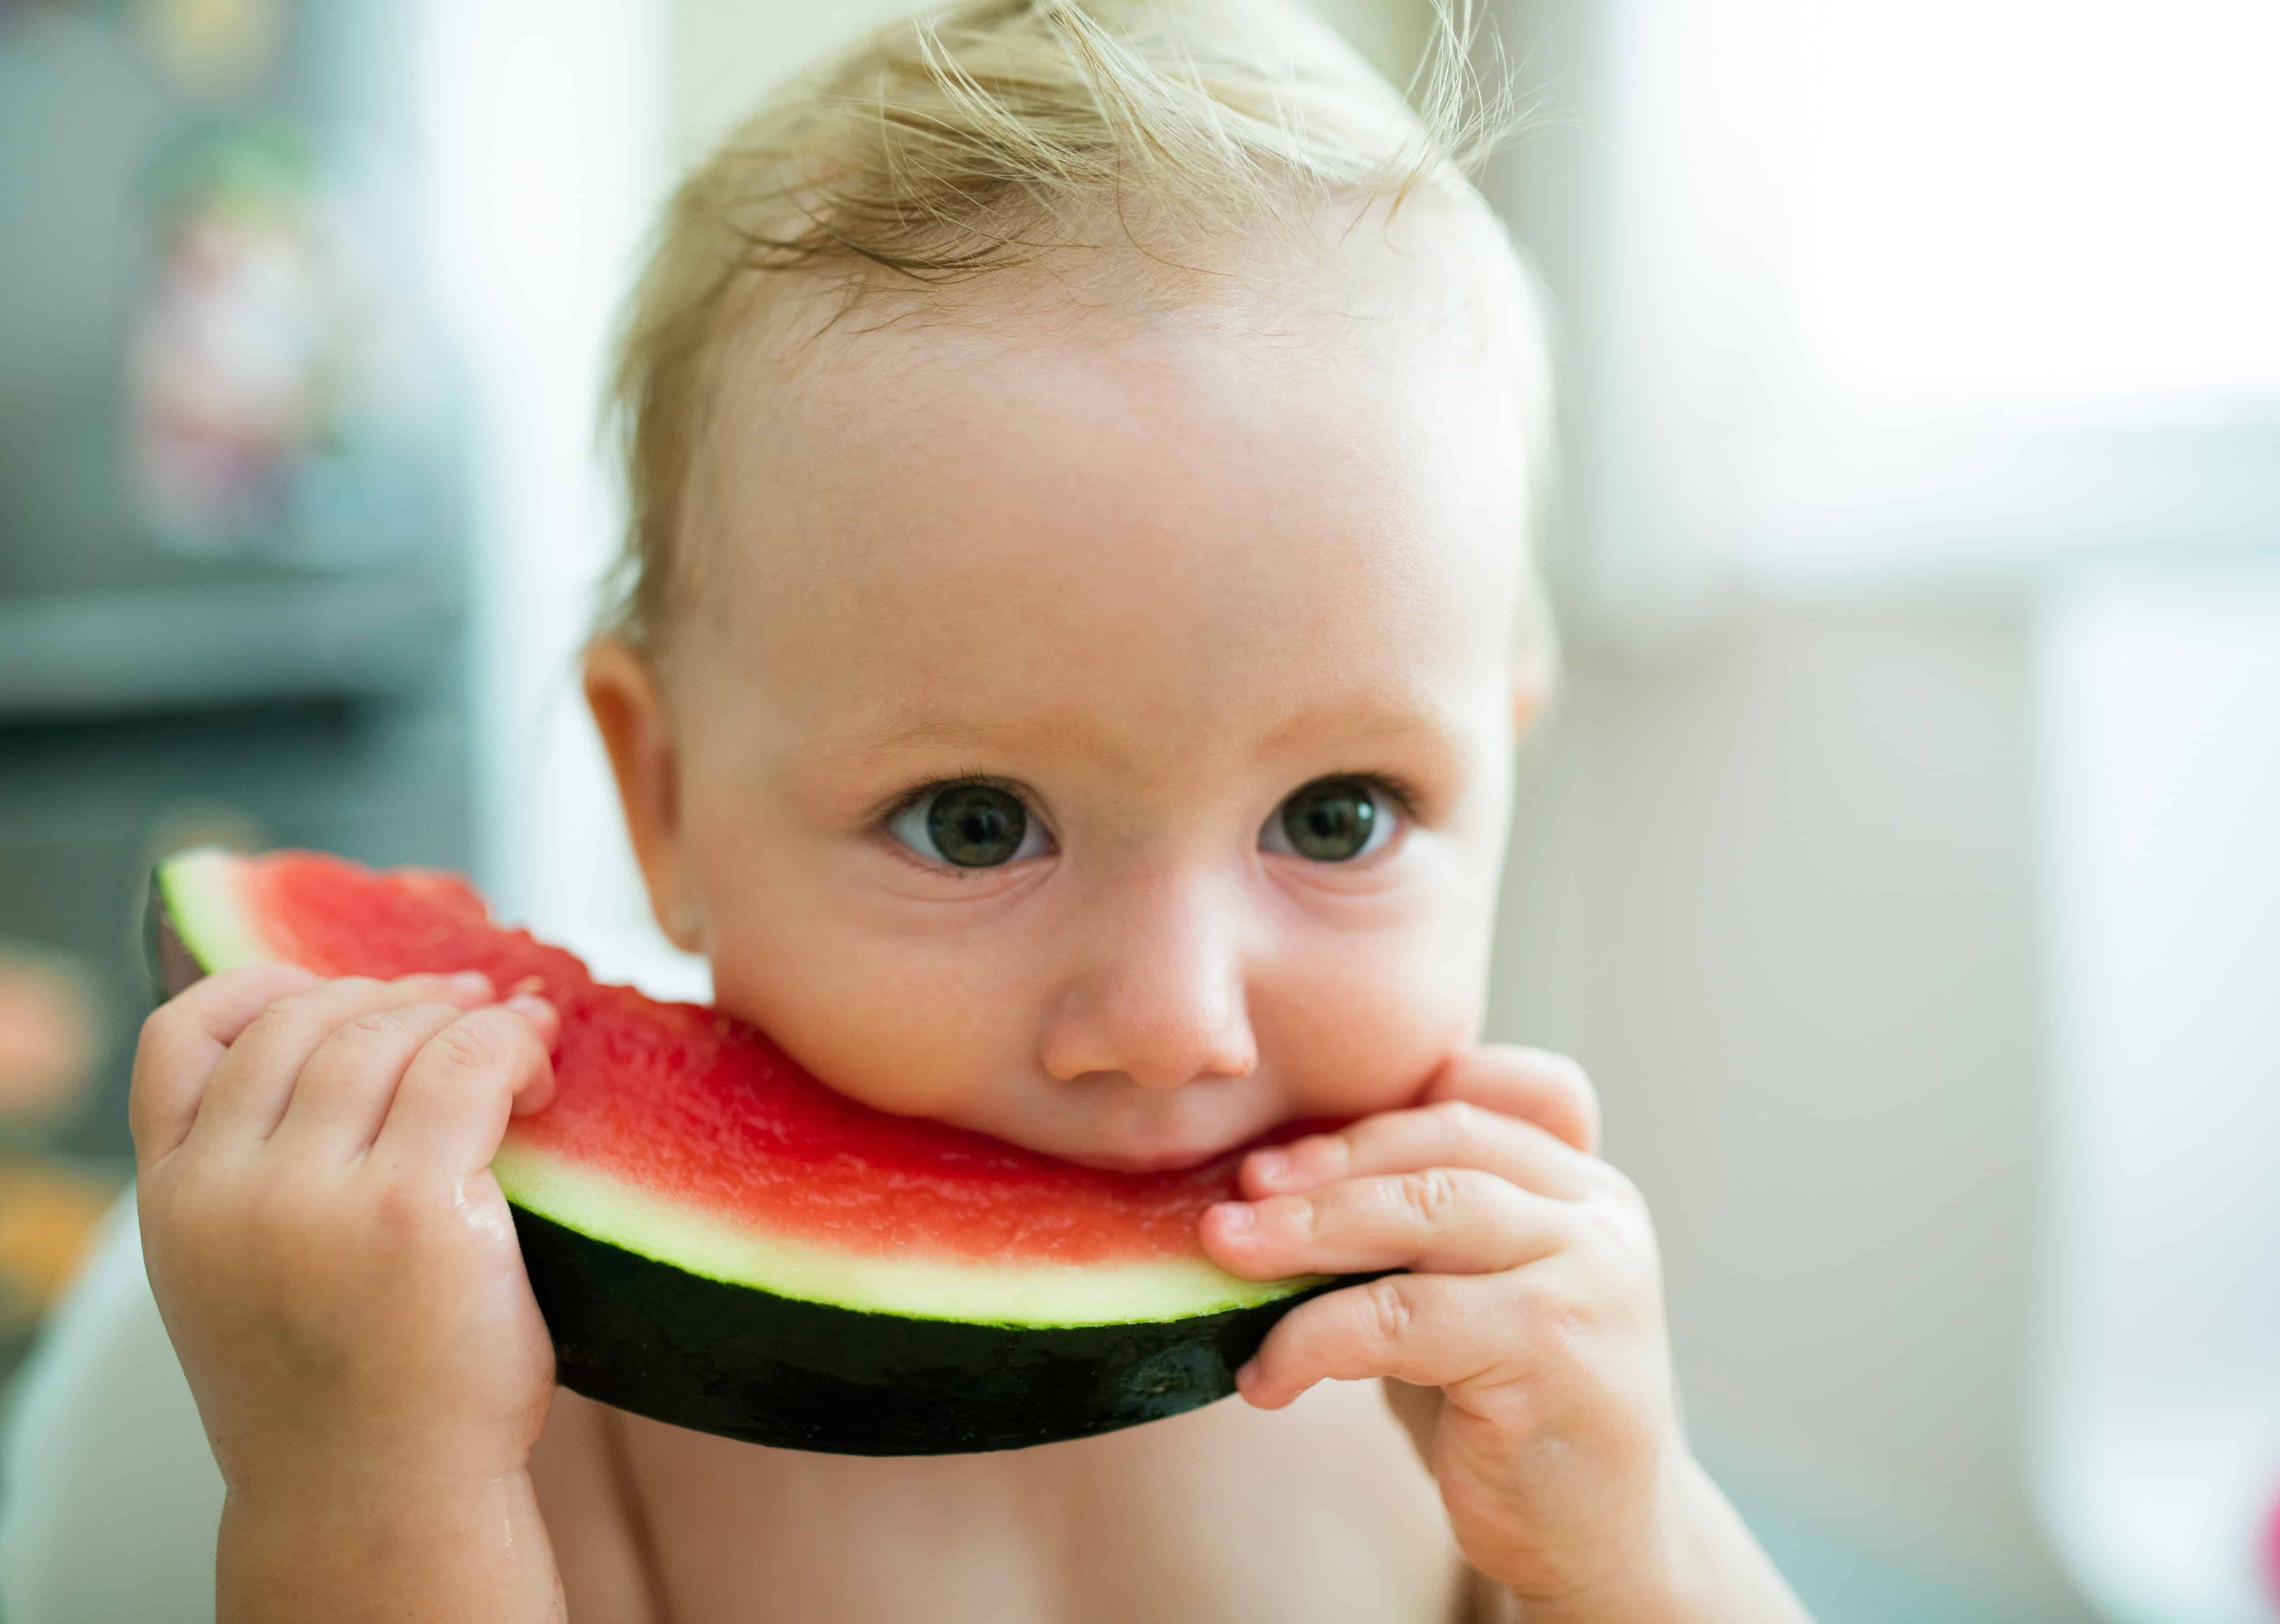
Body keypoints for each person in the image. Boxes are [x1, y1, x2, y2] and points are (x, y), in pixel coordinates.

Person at [126, 3, 1811, 1618]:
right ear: (662, 792)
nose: (1169, 1025)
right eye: (975, 825)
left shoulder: (1480, 1367)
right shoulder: (566, 1383)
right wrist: (371, 1484)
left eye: (1340, 816)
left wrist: (1636, 1545)